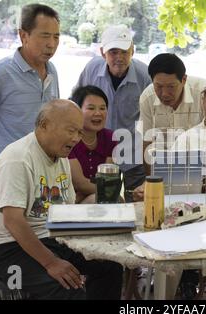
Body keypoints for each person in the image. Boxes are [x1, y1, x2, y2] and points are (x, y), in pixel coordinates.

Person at [0, 99, 123, 300]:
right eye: (70, 131)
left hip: (50, 237)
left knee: (109, 266)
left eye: (79, 132)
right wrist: (51, 263)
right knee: (69, 289)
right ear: (44, 125)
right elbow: (13, 221)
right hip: (5, 249)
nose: (76, 139)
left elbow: (66, 208)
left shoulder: (61, 157)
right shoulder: (18, 159)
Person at [0, 4, 60, 173]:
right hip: (4, 171)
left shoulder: (51, 70)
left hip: (38, 170)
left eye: (56, 37)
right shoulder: (0, 73)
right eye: (45, 36)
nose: (51, 44)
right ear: (23, 35)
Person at [74, 25, 151, 202]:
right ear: (102, 52)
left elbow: (153, 115)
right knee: (100, 201)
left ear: (133, 51)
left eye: (124, 52)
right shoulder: (92, 69)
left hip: (133, 153)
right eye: (113, 52)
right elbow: (76, 103)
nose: (119, 58)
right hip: (98, 153)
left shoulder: (144, 75)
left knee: (138, 202)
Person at [138, 53, 206, 173]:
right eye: (158, 86)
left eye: (171, 86)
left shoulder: (203, 93)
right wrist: (151, 180)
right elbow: (147, 142)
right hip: (162, 165)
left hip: (201, 164)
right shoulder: (147, 97)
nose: (164, 93)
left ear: (184, 80)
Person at [68, 85, 118, 203]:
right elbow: (79, 183)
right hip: (71, 200)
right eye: (91, 108)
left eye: (102, 108)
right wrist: (105, 191)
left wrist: (105, 191)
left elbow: (108, 178)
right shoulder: (70, 138)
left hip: (97, 196)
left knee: (111, 200)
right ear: (77, 111)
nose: (98, 113)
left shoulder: (109, 137)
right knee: (104, 199)